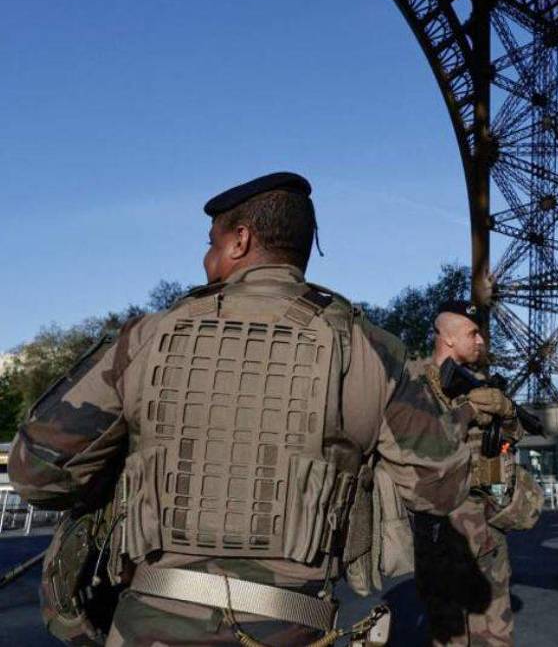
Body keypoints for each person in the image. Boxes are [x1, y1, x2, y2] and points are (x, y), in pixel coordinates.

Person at [9, 172, 517, 646]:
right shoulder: (371, 349)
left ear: (240, 241)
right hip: (294, 623)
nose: (207, 260)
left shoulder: (145, 338)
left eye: (211, 244)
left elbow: (37, 476)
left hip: (148, 619)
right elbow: (442, 486)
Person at [412, 301, 527, 646]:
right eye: (472, 333)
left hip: (488, 527)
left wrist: (507, 414)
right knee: (449, 636)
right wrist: (467, 410)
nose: (481, 341)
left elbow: (506, 439)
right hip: (441, 529)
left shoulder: (480, 384)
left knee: (496, 635)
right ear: (447, 337)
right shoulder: (413, 383)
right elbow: (417, 440)